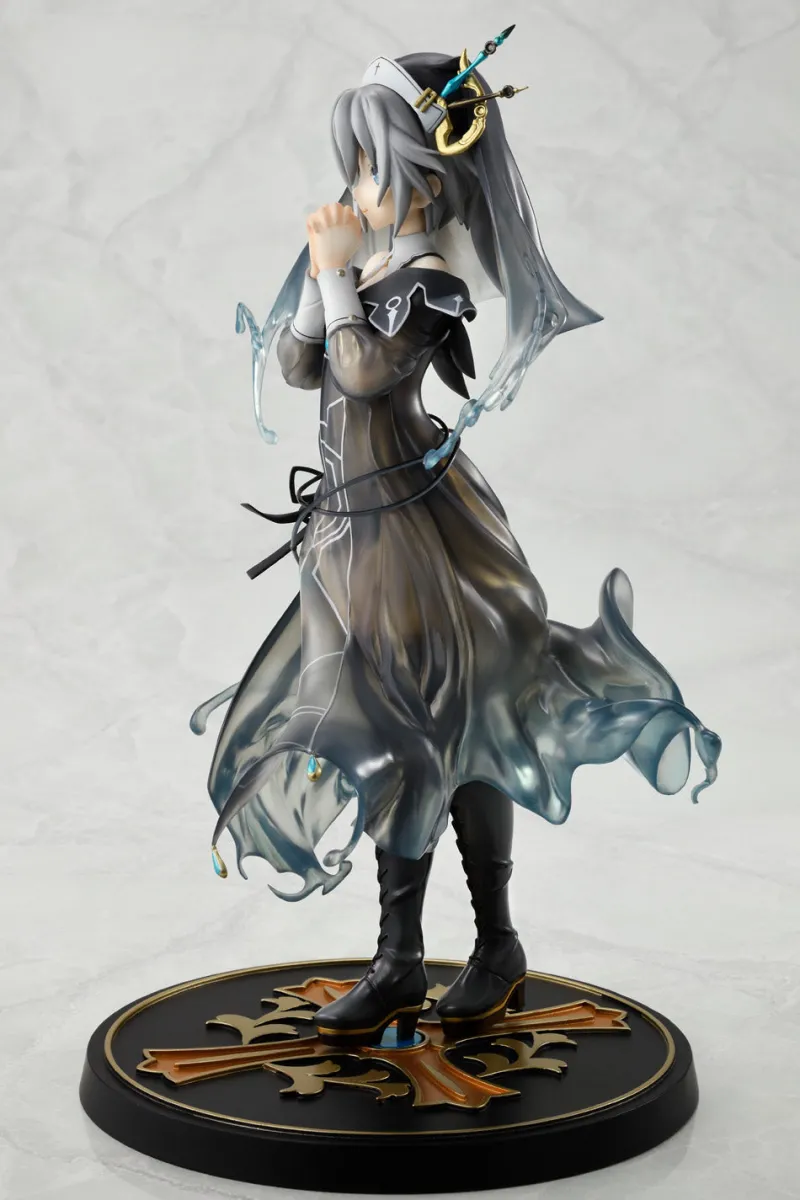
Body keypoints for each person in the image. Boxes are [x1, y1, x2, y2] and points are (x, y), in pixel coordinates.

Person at [191, 46, 721, 1046]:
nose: (356, 188)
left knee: (432, 729)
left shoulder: (428, 285)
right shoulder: (369, 272)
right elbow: (303, 365)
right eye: (352, 168)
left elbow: (361, 373)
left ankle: (455, 951)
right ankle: (426, 956)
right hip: (348, 533)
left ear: (427, 180)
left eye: (371, 168)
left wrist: (334, 274)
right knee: (395, 726)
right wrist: (323, 279)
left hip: (412, 537)